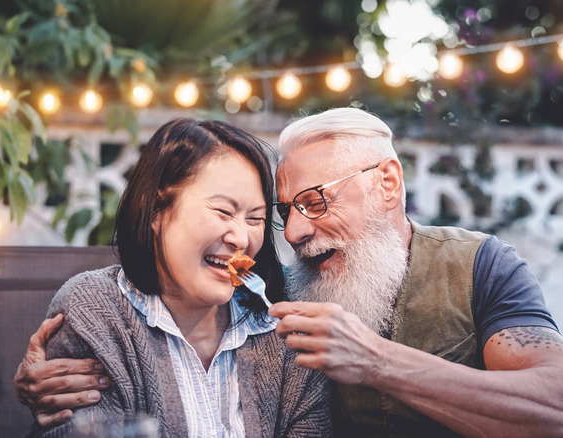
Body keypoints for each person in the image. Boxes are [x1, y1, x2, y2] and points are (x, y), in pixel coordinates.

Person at [15, 108, 563, 437]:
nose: (291, 233)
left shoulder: (481, 266)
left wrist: (375, 361)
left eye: (315, 200)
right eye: (286, 211)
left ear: (388, 184)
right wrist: (42, 396)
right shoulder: (281, 301)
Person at [18, 118, 331, 437]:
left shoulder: (285, 330)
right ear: (156, 209)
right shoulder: (95, 312)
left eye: (256, 219)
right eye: (223, 212)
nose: (241, 237)